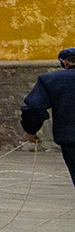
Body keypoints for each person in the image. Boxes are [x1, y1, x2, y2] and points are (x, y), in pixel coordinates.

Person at [20, 47, 75, 187]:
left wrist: (30, 130)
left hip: (71, 139)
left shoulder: (51, 80)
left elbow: (35, 107)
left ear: (65, 63)